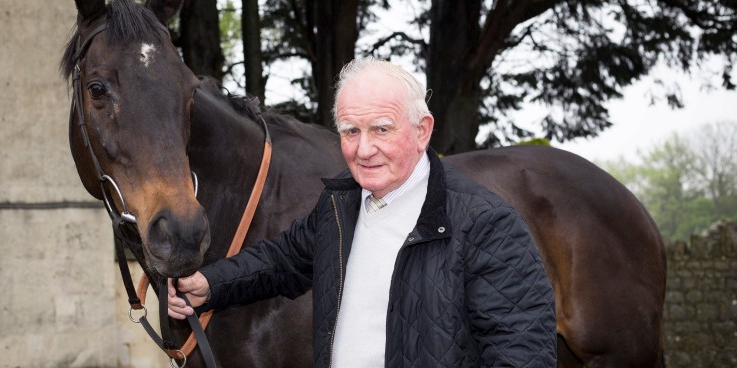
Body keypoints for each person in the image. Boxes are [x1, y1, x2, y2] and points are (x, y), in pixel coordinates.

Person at [167, 58, 557, 367]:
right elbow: (282, 260)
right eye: (351, 131)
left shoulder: (488, 226)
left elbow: (521, 356)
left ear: (422, 130)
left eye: (382, 129)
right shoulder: (342, 206)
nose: (363, 149)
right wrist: (211, 283)